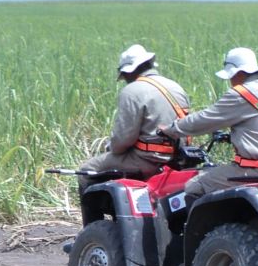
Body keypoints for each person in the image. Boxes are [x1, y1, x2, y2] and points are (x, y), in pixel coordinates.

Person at [159, 47, 258, 198]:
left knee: (195, 185)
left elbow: (205, 119)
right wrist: (232, 137)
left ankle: (202, 222)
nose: (231, 81)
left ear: (239, 72)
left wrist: (172, 128)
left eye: (231, 76)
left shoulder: (241, 94)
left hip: (256, 170)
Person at [77, 44, 192, 190]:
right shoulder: (175, 87)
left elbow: (123, 140)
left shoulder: (132, 91)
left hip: (148, 160)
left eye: (124, 75)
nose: (125, 79)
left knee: (86, 170)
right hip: (180, 159)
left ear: (131, 71)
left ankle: (95, 212)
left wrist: (110, 147)